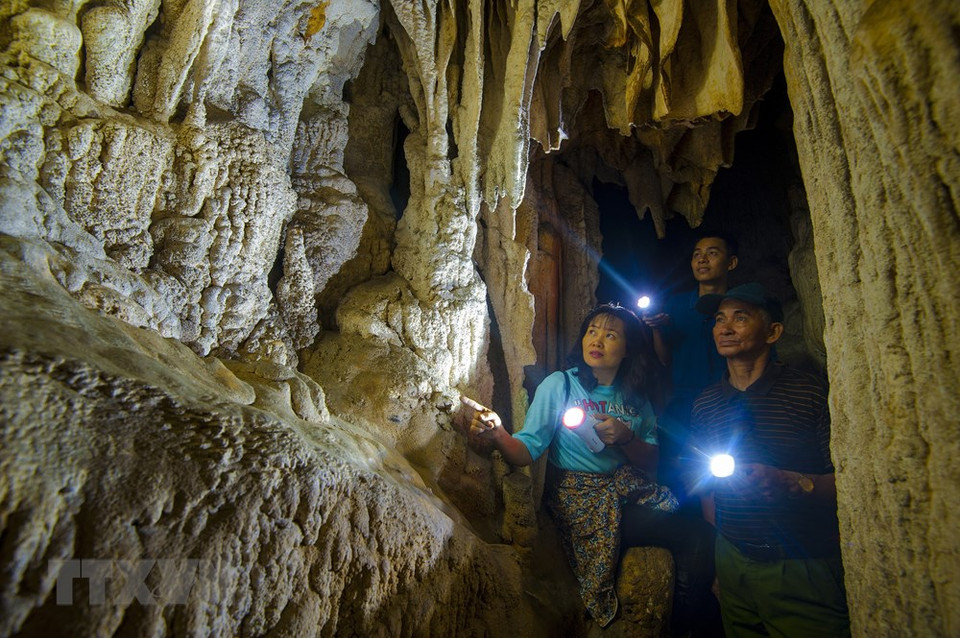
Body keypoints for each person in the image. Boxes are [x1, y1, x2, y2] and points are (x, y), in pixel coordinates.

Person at [464, 304, 718, 634]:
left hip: (629, 491)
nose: (597, 340)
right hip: (579, 498)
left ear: (628, 349)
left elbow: (652, 461)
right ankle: (686, 628)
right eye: (592, 331)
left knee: (696, 529)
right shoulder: (561, 385)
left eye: (611, 335)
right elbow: (526, 449)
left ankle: (684, 619)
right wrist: (498, 433)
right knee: (695, 536)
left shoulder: (636, 397)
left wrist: (626, 438)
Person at [690, 283, 851, 637]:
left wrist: (795, 483)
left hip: (800, 565)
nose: (725, 328)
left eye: (740, 318)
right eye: (719, 319)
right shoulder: (705, 404)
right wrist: (722, 562)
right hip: (733, 560)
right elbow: (706, 489)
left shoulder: (808, 392)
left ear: (774, 331)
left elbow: (852, 481)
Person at [643, 232, 739, 512]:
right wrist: (657, 329)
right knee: (675, 471)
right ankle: (683, 531)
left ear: (731, 263)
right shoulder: (676, 305)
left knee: (726, 472)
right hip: (684, 401)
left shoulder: (740, 306)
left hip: (728, 401)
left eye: (712, 253)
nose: (702, 260)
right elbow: (664, 359)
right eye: (697, 254)